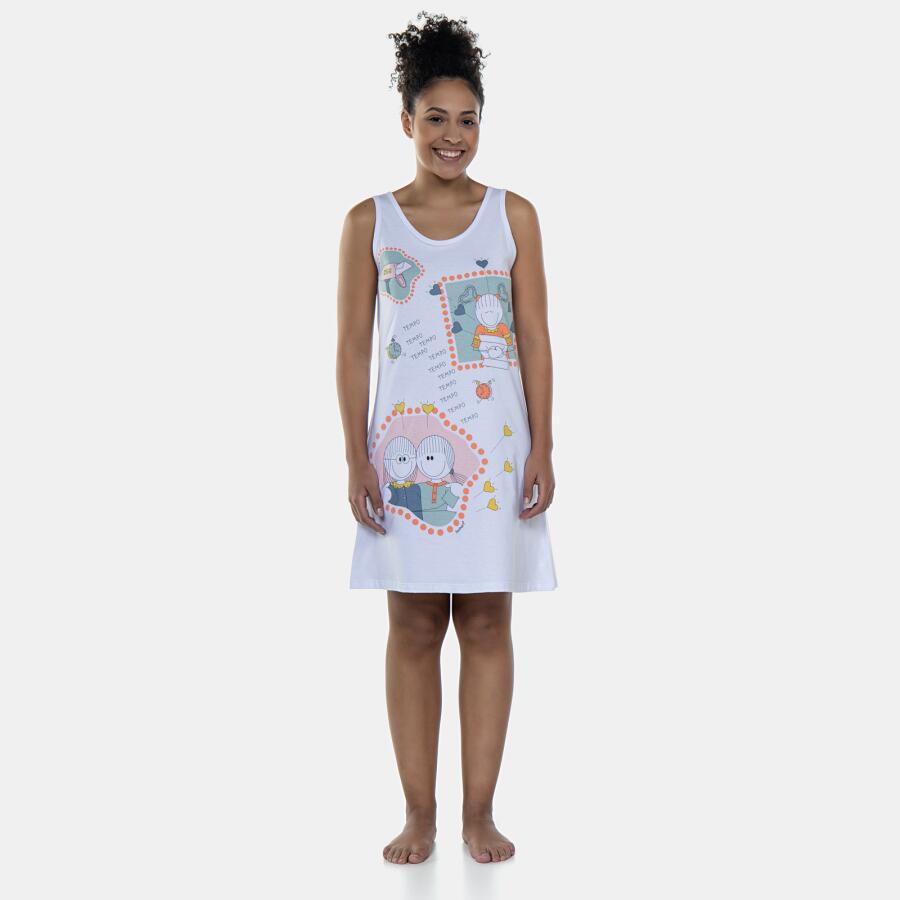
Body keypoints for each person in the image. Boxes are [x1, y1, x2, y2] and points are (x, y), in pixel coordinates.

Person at [335, 12, 558, 865]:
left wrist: (543, 445)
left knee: (490, 624)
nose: (452, 135)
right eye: (435, 117)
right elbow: (352, 348)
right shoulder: (369, 223)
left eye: (467, 119)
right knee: (416, 626)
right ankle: (418, 813)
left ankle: (480, 812)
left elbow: (533, 338)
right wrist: (356, 456)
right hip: (401, 456)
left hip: (495, 454)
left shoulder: (513, 216)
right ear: (406, 121)